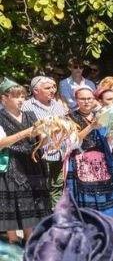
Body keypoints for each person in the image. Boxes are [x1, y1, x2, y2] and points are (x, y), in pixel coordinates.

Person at [0, 79, 51, 244]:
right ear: (3, 98)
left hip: (32, 162)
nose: (21, 99)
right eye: (16, 96)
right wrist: (26, 133)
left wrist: (46, 136)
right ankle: (13, 240)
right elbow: (1, 143)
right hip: (12, 163)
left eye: (22, 96)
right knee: (12, 203)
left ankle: (29, 239)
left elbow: (39, 142)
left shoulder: (30, 115)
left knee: (31, 202)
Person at [64, 87, 113, 217]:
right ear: (76, 100)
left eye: (89, 98)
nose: (86, 101)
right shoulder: (69, 118)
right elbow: (71, 141)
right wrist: (91, 126)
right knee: (85, 197)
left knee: (105, 194)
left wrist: (112, 132)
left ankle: (106, 222)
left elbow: (110, 139)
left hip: (103, 159)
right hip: (82, 160)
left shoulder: (102, 115)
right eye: (82, 99)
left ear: (94, 99)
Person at [22, 76, 69, 205]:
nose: (52, 90)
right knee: (41, 187)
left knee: (57, 185)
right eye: (48, 88)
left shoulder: (58, 105)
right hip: (40, 154)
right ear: (36, 91)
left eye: (53, 87)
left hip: (59, 152)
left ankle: (56, 214)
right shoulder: (26, 106)